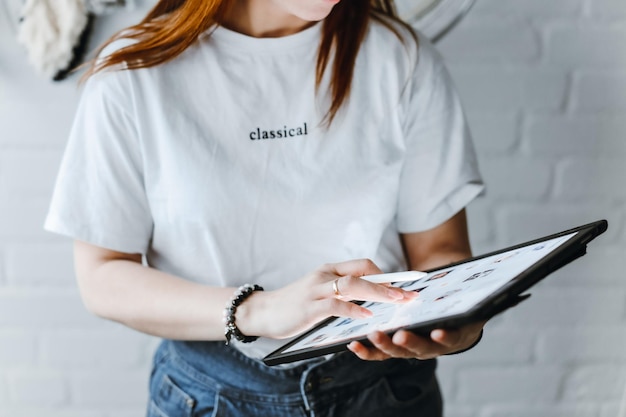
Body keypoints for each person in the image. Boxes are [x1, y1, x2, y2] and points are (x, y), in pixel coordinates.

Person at [45, 1, 487, 416]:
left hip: (384, 391)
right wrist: (258, 310)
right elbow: (102, 276)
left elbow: (440, 248)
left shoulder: (402, 58)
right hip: (209, 392)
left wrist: (455, 314)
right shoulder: (133, 73)